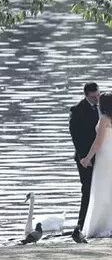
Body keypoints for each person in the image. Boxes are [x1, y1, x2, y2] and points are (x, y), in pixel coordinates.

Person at [79, 92, 112, 237]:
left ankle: (100, 225)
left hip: (105, 155)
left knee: (101, 189)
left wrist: (87, 158)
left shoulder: (104, 119)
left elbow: (98, 142)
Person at [69, 82, 100, 229]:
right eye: (93, 97)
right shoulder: (77, 110)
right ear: (86, 94)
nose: (96, 99)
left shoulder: (103, 107)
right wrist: (84, 157)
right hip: (85, 156)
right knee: (87, 189)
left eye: (98, 95)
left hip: (102, 155)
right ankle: (81, 224)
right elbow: (75, 136)